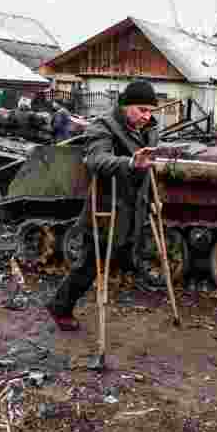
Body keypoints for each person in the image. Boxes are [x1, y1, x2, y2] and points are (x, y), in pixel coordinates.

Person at [45, 79, 159, 331]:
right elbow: (97, 159)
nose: (147, 116)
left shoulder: (149, 129)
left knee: (121, 256)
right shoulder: (103, 126)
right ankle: (60, 306)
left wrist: (153, 198)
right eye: (142, 109)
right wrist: (129, 163)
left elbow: (149, 164)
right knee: (89, 264)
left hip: (134, 205)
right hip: (107, 207)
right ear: (126, 106)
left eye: (151, 110)